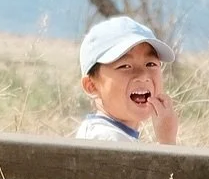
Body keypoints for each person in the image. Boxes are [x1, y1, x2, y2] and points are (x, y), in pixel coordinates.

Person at [76, 15, 178, 145]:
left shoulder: (110, 135)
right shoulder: (107, 140)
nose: (143, 76)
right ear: (91, 86)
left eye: (151, 64)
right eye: (125, 66)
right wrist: (167, 141)